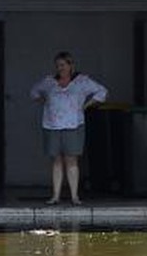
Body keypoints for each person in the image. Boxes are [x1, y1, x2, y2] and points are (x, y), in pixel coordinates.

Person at [29, 51, 107, 205]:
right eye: (58, 65)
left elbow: (102, 92)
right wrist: (45, 102)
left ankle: (74, 196)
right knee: (56, 161)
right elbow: (33, 92)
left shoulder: (82, 81)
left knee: (72, 160)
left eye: (63, 65)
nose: (60, 68)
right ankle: (56, 196)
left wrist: (86, 105)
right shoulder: (49, 82)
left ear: (71, 65)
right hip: (52, 126)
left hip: (73, 125)